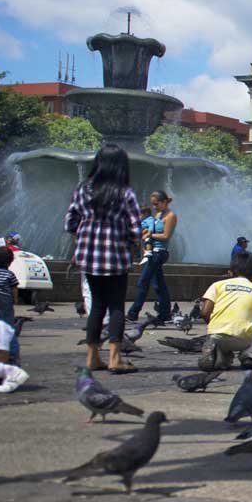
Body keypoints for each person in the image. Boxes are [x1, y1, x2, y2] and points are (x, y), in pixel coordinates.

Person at [66, 144, 143, 373]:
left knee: (97, 305)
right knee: (116, 306)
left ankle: (92, 357)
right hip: (116, 256)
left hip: (88, 256)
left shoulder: (83, 189)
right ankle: (115, 358)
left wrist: (84, 233)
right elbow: (136, 229)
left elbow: (70, 221)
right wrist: (127, 240)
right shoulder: (125, 192)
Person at [197, 252, 252, 371]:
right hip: (244, 338)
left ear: (230, 272)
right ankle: (249, 357)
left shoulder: (217, 285)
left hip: (217, 334)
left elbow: (204, 313)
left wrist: (215, 326)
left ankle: (218, 357)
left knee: (220, 349)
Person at [126, 190, 176, 322]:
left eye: (156, 204)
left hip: (159, 252)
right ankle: (165, 313)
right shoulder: (158, 214)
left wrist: (150, 235)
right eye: (153, 204)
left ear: (164, 202)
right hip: (152, 251)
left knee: (143, 281)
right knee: (158, 283)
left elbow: (166, 236)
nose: (154, 207)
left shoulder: (170, 216)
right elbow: (151, 229)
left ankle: (133, 312)